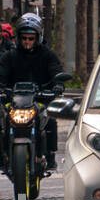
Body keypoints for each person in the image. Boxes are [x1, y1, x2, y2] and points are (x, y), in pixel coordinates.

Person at [0, 14, 64, 174]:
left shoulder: (48, 55)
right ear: (18, 38)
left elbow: (57, 72)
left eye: (31, 38)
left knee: (50, 120)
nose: (27, 42)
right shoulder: (9, 56)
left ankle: (49, 155)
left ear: (38, 37)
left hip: (39, 100)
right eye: (24, 38)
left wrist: (57, 85)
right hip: (13, 101)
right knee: (2, 121)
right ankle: (3, 156)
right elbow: (1, 74)